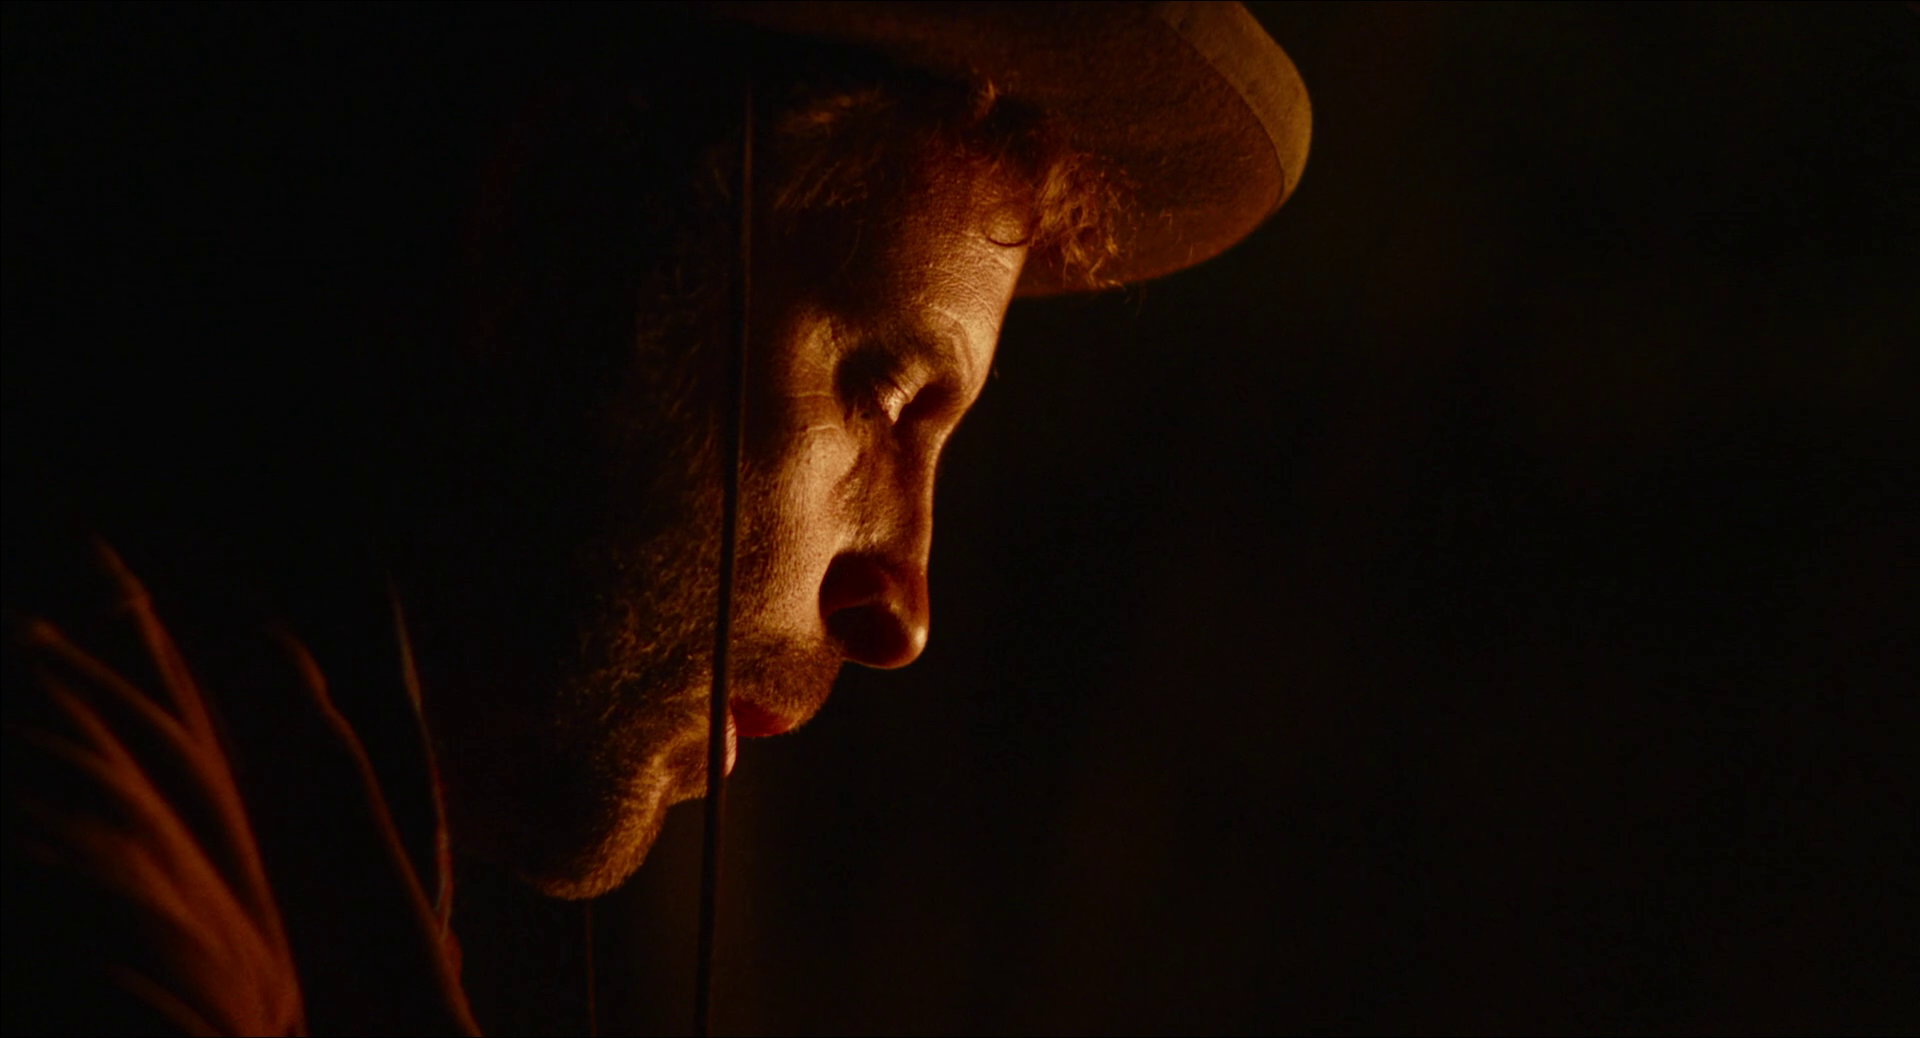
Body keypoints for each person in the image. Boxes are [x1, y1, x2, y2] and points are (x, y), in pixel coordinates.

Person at [1, 3, 1309, 1032]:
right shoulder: (76, 764)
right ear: (555, 239)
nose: (901, 609)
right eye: (885, 398)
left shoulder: (266, 801)